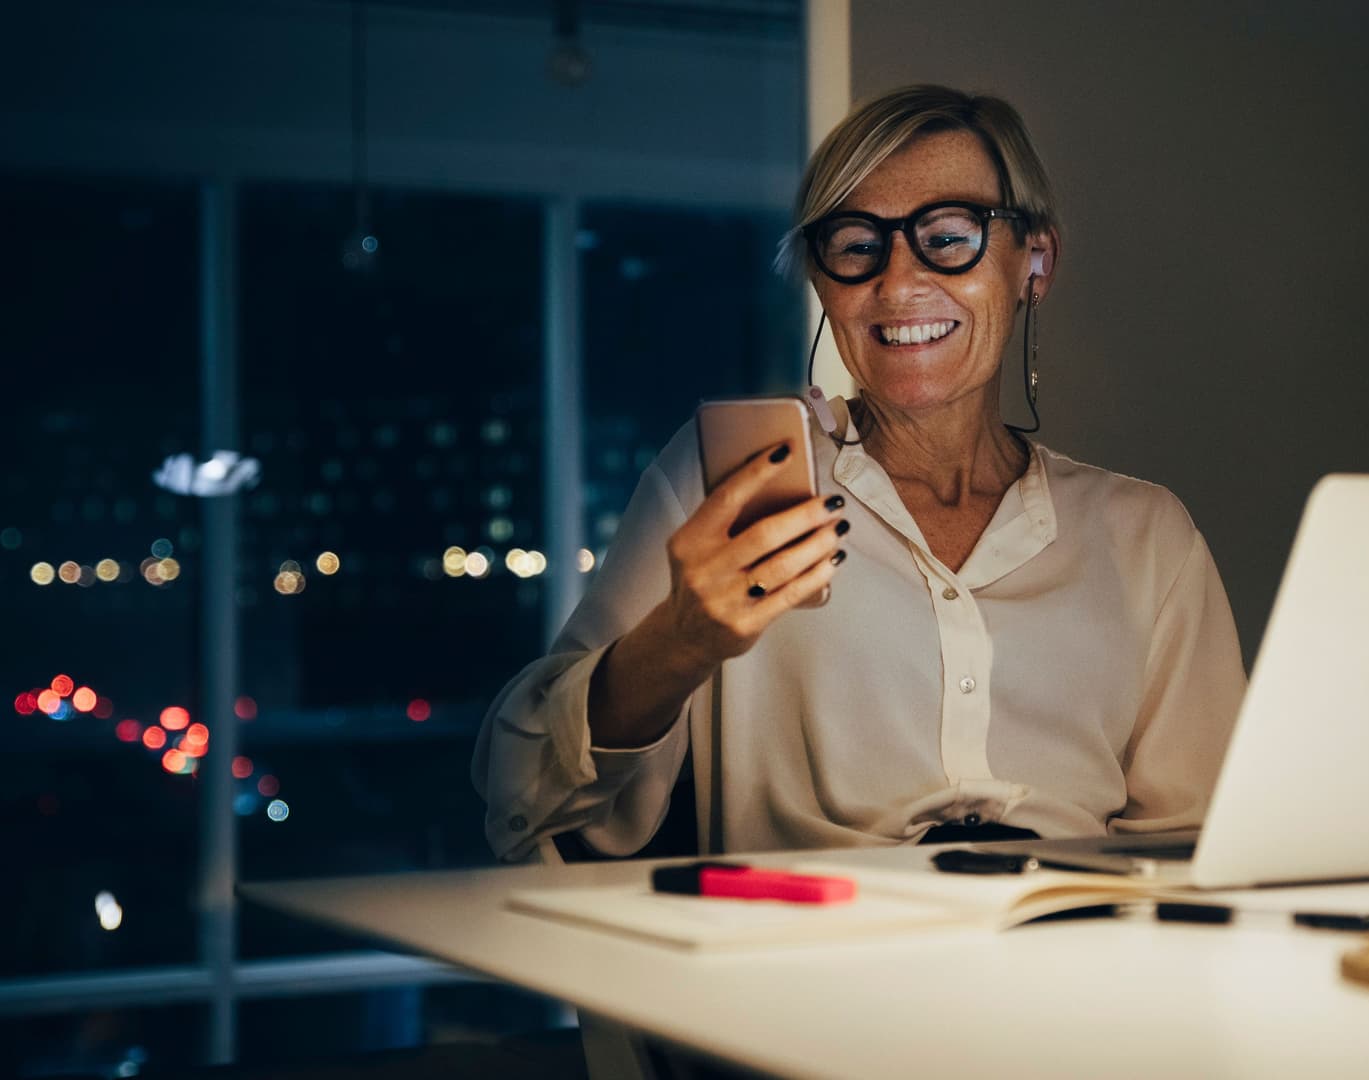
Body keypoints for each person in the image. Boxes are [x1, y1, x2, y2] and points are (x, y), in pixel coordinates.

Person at [473, 84, 1245, 862]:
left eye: (949, 237)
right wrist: (679, 642)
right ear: (821, 280)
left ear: (1034, 263)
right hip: (819, 931)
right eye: (855, 245)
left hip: (1073, 931)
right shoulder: (729, 487)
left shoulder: (1146, 536)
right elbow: (521, 792)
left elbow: (1202, 845)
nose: (897, 283)